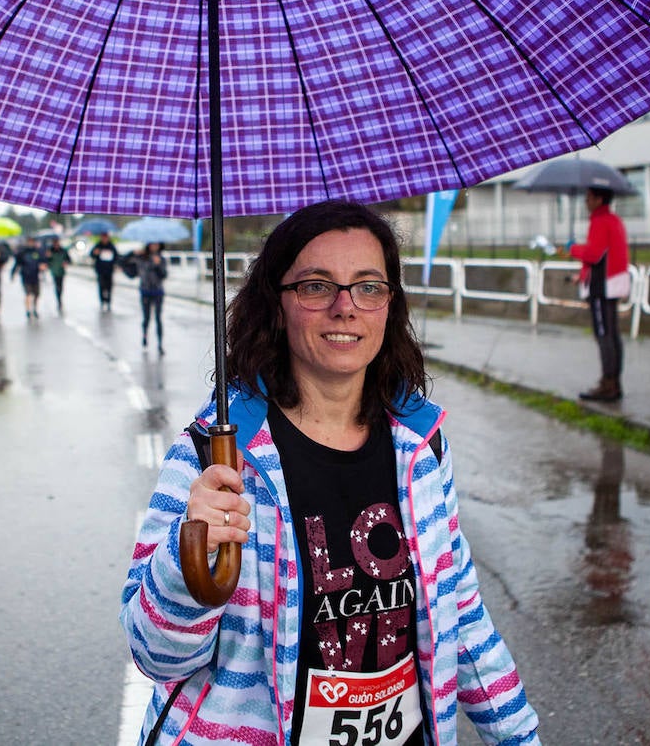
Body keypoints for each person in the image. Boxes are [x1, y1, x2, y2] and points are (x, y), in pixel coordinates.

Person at [121, 200, 540, 746]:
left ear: (391, 304)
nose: (347, 307)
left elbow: (460, 612)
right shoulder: (214, 457)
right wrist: (187, 560)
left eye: (369, 286)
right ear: (277, 304)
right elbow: (156, 657)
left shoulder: (422, 446)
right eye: (317, 286)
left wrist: (518, 736)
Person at [566, 186, 630, 402]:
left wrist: (573, 248)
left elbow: (593, 254)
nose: (585, 202)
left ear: (598, 199)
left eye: (588, 197)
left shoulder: (600, 222)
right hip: (610, 285)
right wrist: (581, 275)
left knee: (603, 335)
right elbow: (604, 254)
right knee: (612, 334)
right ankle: (614, 382)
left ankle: (608, 384)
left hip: (601, 288)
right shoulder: (614, 220)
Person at [132, 241, 167, 353]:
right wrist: (133, 253)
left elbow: (164, 275)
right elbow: (140, 270)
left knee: (158, 318)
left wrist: (157, 265)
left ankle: (160, 344)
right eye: (152, 244)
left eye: (156, 244)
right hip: (146, 291)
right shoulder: (142, 258)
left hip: (158, 292)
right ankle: (145, 338)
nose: (154, 246)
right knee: (146, 318)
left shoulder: (161, 259)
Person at [12, 236, 46, 320]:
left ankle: (34, 308)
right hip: (26, 276)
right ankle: (28, 310)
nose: (31, 243)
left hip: (35, 276)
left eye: (32, 241)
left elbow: (43, 261)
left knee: (36, 294)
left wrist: (43, 266)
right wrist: (13, 273)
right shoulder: (23, 252)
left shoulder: (37, 251)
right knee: (28, 294)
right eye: (29, 241)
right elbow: (17, 263)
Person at [90, 232, 119, 310]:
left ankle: (109, 301)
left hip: (109, 270)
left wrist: (115, 264)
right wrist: (95, 253)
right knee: (101, 286)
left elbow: (116, 256)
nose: (105, 239)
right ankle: (102, 301)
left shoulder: (111, 246)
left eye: (106, 237)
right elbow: (91, 254)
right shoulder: (98, 246)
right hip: (100, 270)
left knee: (109, 287)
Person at [45, 238, 70, 313]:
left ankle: (60, 298)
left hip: (61, 271)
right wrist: (48, 257)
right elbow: (47, 261)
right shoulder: (50, 251)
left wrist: (66, 262)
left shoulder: (63, 250)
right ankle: (58, 300)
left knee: (61, 285)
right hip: (54, 271)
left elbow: (68, 259)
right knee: (57, 286)